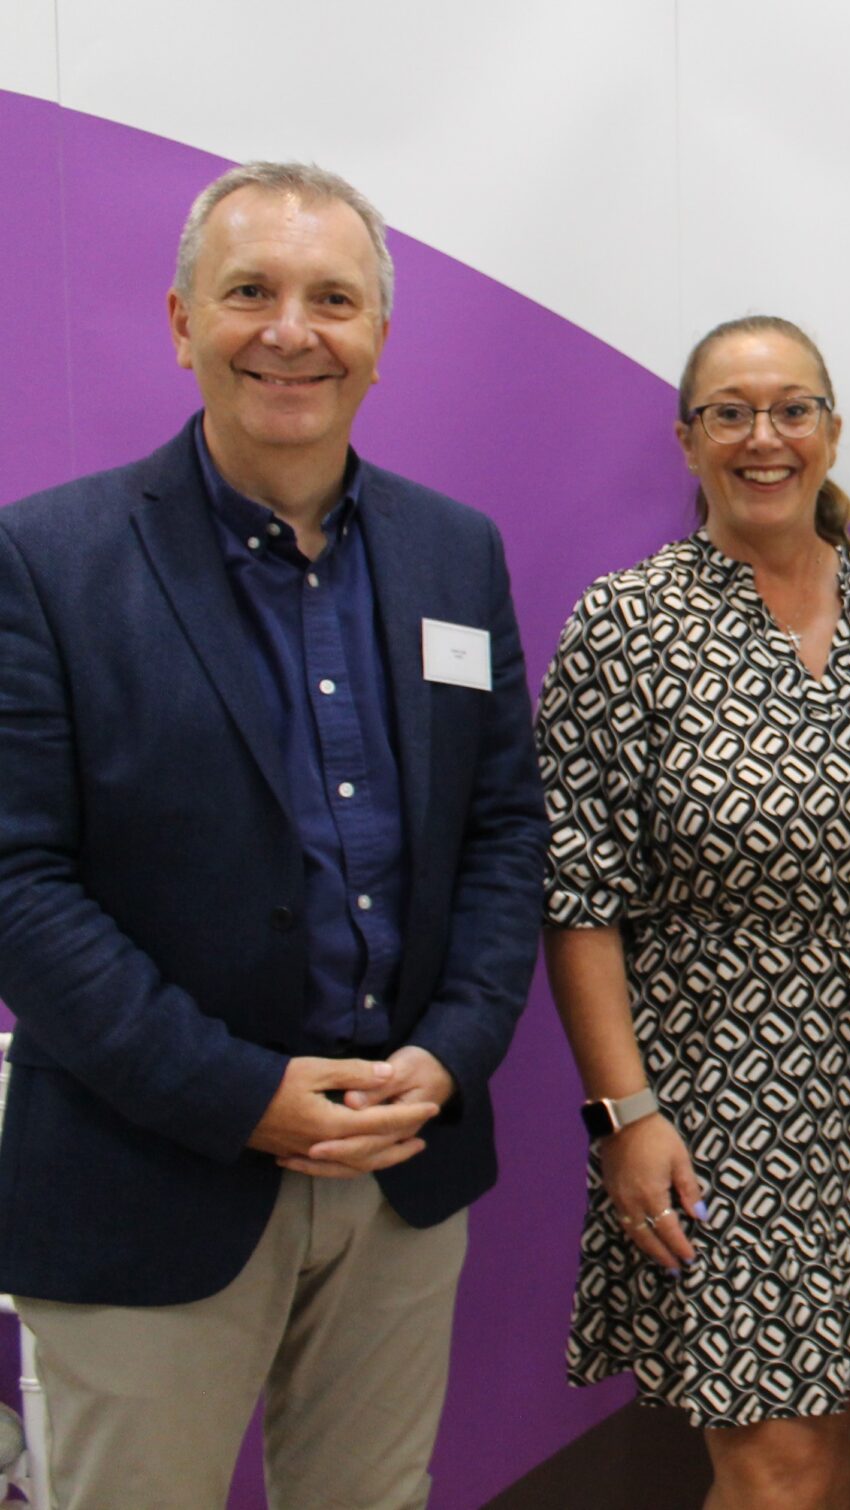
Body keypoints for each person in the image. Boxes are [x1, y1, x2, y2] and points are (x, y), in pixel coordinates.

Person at [0, 161, 545, 1508]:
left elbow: (502, 830)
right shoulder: (44, 561)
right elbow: (19, 884)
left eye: (332, 299)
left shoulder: (455, 556)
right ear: (185, 321)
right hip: (147, 1171)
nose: (290, 329)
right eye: (250, 291)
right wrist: (241, 1094)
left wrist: (451, 1051)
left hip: (401, 1170)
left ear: (378, 342)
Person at [538, 314, 850, 1506]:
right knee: (780, 1464)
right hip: (718, 1099)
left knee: (823, 1443)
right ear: (687, 440)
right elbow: (576, 894)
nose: (763, 436)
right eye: (729, 411)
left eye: (792, 408)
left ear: (832, 432)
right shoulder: (627, 626)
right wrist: (624, 1113)